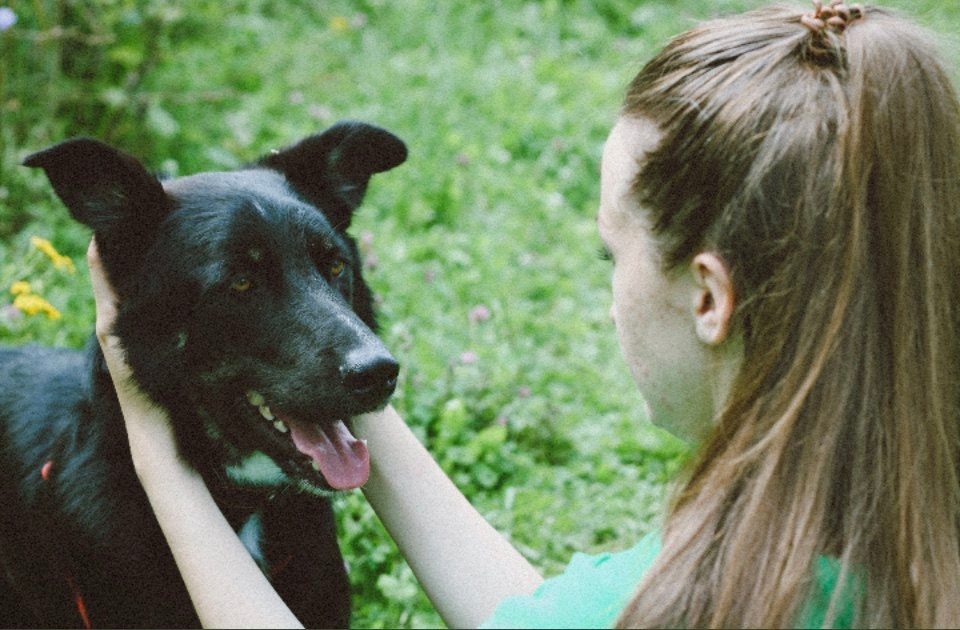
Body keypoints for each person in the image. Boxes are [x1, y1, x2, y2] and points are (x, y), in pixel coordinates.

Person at [89, 1, 960, 627]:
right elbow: (538, 618)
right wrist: (342, 365)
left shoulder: (708, 597)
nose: (610, 295)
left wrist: (154, 445)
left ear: (707, 298)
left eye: (609, 257)